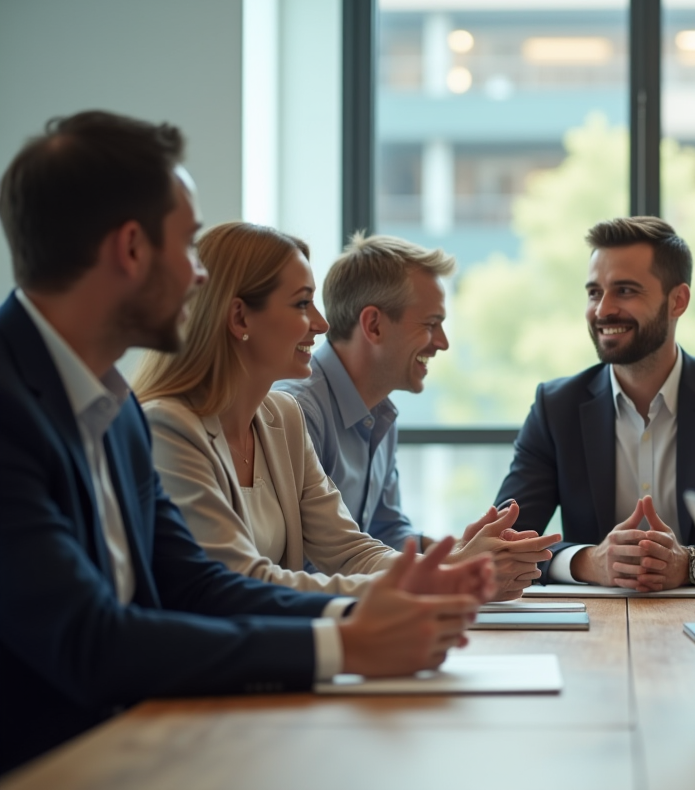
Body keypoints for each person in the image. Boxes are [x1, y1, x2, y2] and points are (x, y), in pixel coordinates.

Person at [0, 111, 492, 774]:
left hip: (144, 745)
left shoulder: (115, 412)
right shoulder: (25, 411)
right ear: (131, 249)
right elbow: (91, 641)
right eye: (188, 245)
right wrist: (346, 644)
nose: (199, 275)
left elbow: (200, 586)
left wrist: (363, 613)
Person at [133, 223, 514, 597]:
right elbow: (241, 581)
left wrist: (451, 569)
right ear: (240, 318)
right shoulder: (167, 427)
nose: (321, 323)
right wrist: (435, 580)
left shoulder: (284, 416)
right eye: (302, 304)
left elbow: (349, 550)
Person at [496, 216, 695, 589]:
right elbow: (501, 543)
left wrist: (692, 563)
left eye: (625, 291)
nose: (602, 310)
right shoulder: (555, 408)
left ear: (678, 301)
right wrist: (588, 562)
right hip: (593, 620)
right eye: (594, 292)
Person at [276, 233, 560, 600]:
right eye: (430, 324)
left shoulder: (379, 412)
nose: (442, 342)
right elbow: (310, 565)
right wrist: (454, 567)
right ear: (374, 325)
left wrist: (463, 551)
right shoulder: (296, 411)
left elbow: (386, 532)